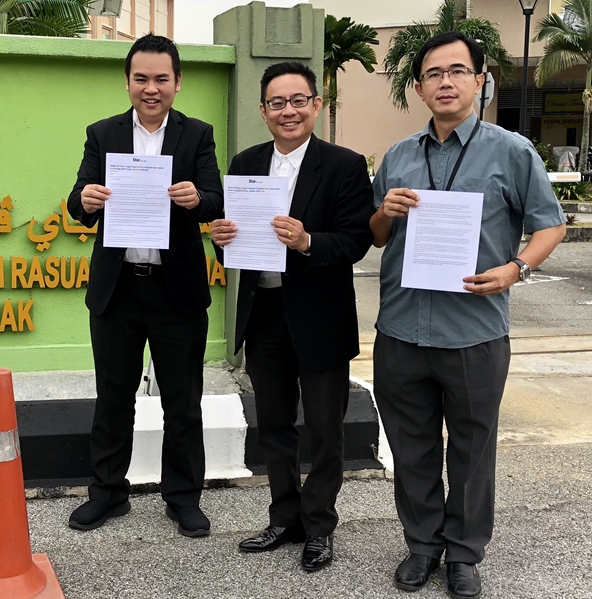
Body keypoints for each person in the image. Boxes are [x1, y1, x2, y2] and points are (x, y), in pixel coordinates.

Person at [370, 32, 566, 599]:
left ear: (480, 81)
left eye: (458, 71)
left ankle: (463, 553)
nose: (446, 82)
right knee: (411, 448)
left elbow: (550, 224)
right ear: (419, 87)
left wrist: (516, 269)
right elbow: (376, 236)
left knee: (473, 451)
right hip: (401, 329)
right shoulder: (399, 156)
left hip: (474, 332)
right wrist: (384, 211)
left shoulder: (512, 151)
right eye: (434, 73)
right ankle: (422, 546)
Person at [209, 61, 374, 571]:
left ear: (316, 105)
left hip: (320, 316)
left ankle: (319, 526)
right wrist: (221, 241)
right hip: (263, 313)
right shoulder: (245, 163)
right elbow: (233, 241)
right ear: (263, 111)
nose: (288, 111)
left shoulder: (344, 165)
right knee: (274, 426)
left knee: (325, 430)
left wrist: (306, 242)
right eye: (277, 103)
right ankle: (284, 517)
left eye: (298, 100)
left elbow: (356, 240)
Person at [65, 34, 222, 537]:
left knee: (183, 400)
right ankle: (107, 493)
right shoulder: (102, 133)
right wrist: (86, 200)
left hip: (176, 291)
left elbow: (216, 199)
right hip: (118, 290)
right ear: (128, 81)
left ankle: (183, 498)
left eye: (160, 79)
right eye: (141, 79)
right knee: (113, 397)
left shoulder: (197, 135)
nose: (150, 89)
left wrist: (197, 199)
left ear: (177, 82)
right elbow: (76, 201)